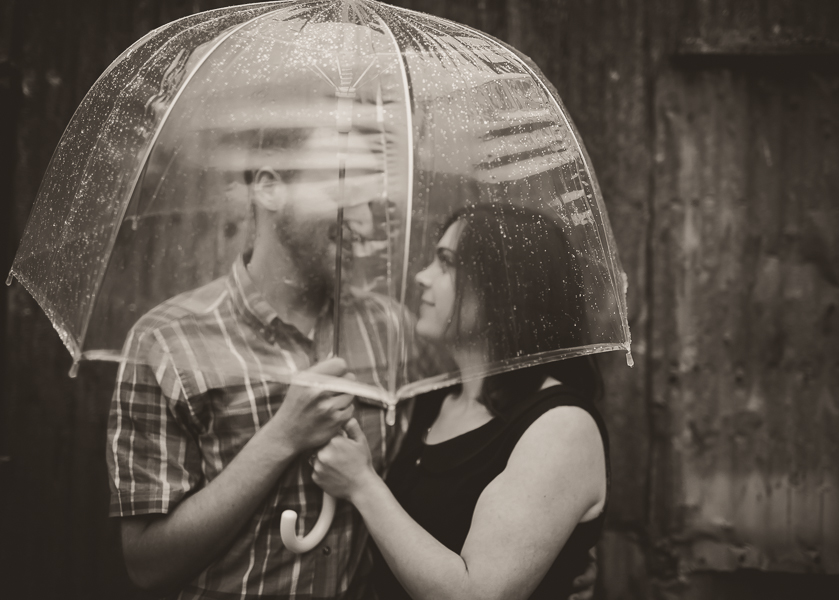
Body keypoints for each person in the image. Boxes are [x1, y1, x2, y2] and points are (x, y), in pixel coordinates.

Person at [106, 124, 598, 599]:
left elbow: (486, 442)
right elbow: (146, 567)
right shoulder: (168, 341)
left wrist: (553, 556)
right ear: (272, 189)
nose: (364, 222)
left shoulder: (393, 332)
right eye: (347, 190)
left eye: (370, 199)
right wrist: (281, 438)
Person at [312, 203, 610, 600]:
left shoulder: (561, 427)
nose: (422, 277)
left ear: (505, 287)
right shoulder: (433, 400)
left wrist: (361, 484)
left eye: (446, 263)